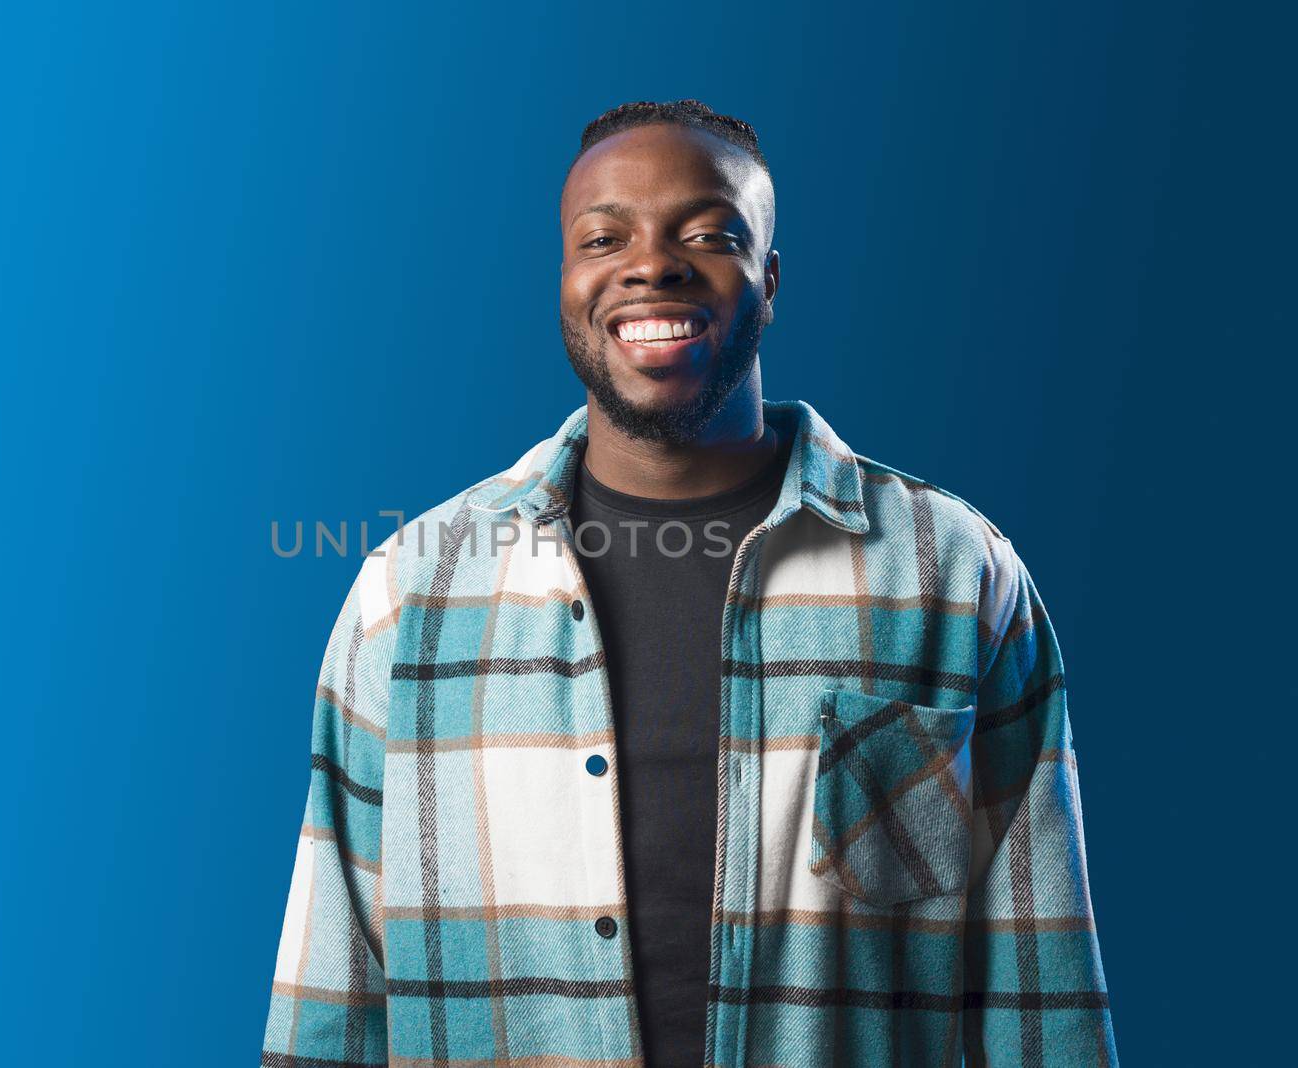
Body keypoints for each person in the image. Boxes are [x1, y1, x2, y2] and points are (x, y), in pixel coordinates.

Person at [260, 99, 1116, 1067]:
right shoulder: (406, 602)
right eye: (603, 236)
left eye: (707, 234)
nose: (651, 264)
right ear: (565, 280)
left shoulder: (954, 582)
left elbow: (1043, 1006)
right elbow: (329, 1002)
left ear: (771, 282)